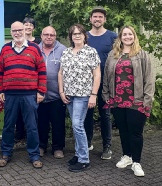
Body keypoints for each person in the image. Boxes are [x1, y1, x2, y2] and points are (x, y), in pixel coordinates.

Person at [102, 26, 154, 177]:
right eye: (124, 34)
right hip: (117, 100)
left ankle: (136, 162)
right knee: (123, 131)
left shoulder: (142, 55)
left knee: (135, 132)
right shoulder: (113, 54)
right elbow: (107, 76)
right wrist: (106, 94)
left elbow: (149, 80)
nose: (127, 37)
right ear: (120, 37)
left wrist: (147, 99)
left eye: (130, 34)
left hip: (137, 100)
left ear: (134, 36)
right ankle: (127, 156)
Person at [0, 21, 46, 169]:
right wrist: (0, 90)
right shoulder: (5, 49)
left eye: (19, 30)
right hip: (10, 95)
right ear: (11, 32)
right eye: (14, 31)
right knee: (8, 126)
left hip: (30, 94)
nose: (17, 33)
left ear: (24, 31)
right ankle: (6, 153)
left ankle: (34, 155)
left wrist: (41, 91)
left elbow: (42, 70)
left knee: (31, 127)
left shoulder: (34, 48)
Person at [58, 23, 101, 172]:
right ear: (71, 37)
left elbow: (97, 75)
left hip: (83, 95)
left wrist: (93, 95)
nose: (77, 36)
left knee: (77, 125)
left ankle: (84, 159)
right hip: (69, 95)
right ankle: (78, 154)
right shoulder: (66, 52)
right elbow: (60, 73)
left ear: (84, 35)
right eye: (74, 34)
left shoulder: (91, 52)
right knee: (77, 127)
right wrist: (62, 92)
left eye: (79, 33)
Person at [85, 6, 117, 160]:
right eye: (94, 17)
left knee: (105, 115)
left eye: (100, 17)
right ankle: (88, 142)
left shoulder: (112, 37)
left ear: (104, 19)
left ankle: (107, 146)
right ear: (90, 19)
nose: (97, 19)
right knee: (87, 114)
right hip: (87, 83)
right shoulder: (84, 36)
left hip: (105, 83)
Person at [37, 26, 67, 158]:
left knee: (58, 123)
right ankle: (41, 146)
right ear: (41, 36)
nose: (49, 37)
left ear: (55, 36)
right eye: (46, 34)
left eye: (52, 35)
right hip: (39, 95)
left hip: (57, 95)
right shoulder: (34, 50)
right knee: (41, 123)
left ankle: (58, 148)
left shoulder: (63, 50)